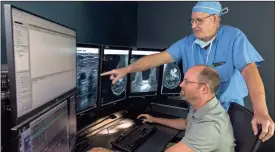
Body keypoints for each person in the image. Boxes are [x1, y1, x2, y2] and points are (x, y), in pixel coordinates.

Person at [101, 1, 274, 142]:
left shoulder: (233, 37)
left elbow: (249, 71)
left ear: (215, 19)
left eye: (199, 20)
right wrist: (127, 69)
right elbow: (158, 58)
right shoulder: (187, 43)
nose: (193, 25)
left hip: (224, 116)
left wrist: (261, 111)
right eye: (191, 20)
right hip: (199, 114)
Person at [89, 65, 235, 152]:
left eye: (187, 81)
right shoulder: (205, 108)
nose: (181, 84)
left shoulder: (210, 125)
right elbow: (186, 123)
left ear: (203, 88)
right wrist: (154, 119)